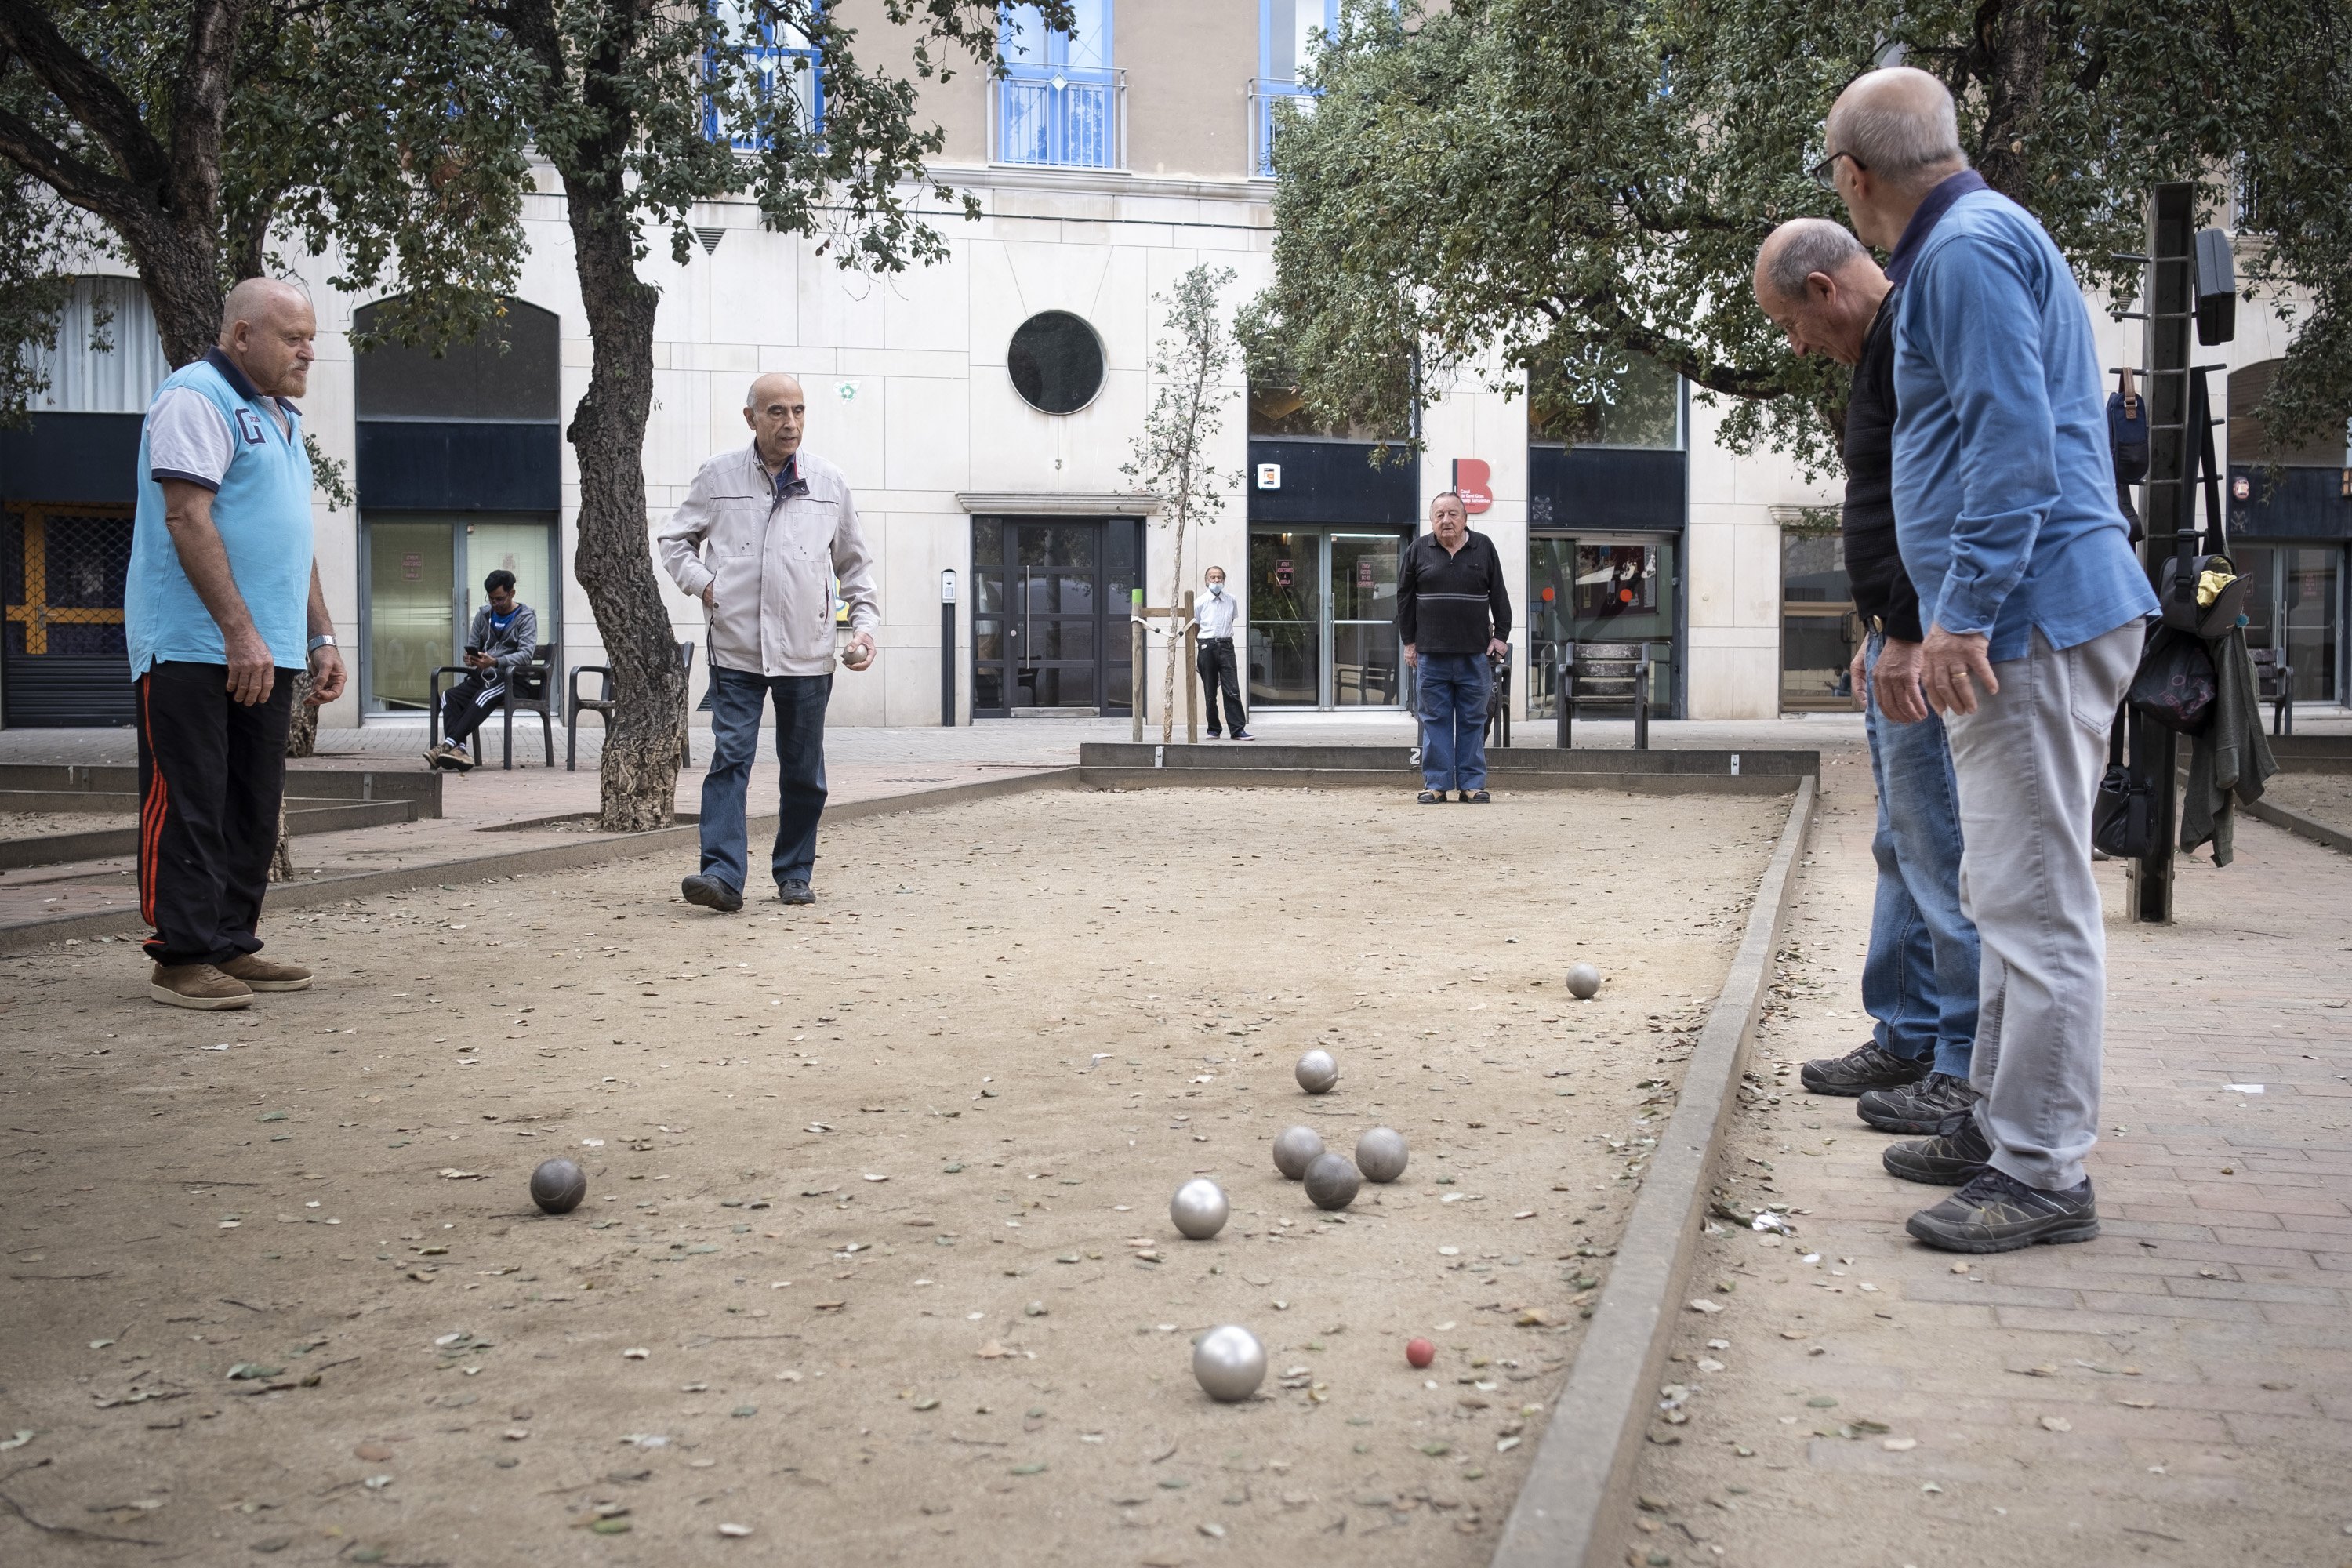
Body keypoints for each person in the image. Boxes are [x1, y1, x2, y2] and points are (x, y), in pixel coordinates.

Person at [1825, 67, 2157, 1252]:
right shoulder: (1981, 236)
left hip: (2031, 621)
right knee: (2002, 890)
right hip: (2036, 613)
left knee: (2033, 903)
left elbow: (2010, 444)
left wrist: (1958, 617)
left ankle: (2043, 1172)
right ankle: (1999, 1124)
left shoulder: (1959, 253)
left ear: (1856, 177)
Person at [1753, 219, 1980, 1138]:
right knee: (1901, 841)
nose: (1796, 345)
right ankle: (1908, 1028)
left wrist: (1916, 630)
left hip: (1926, 641)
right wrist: (1881, 625)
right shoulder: (1882, 351)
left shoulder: (1914, 334)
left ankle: (1958, 1059)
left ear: (1822, 291)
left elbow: (1950, 496)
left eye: (1791, 324)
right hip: (1901, 630)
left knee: (1937, 849)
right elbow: (1892, 502)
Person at [129, 277, 347, 1010]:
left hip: (270, 647)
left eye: (312, 338)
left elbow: (293, 537)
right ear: (243, 335)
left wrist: (319, 633)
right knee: (190, 798)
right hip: (193, 645)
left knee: (252, 803)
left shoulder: (281, 418)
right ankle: (181, 956)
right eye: (294, 338)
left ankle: (228, 943)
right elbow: (188, 518)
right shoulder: (196, 397)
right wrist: (239, 631)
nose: (308, 352)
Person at [657, 372, 877, 911]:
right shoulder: (718, 476)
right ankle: (723, 878)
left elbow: (854, 565)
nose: (790, 423)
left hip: (807, 652)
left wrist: (865, 628)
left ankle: (794, 873)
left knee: (803, 770)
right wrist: (706, 585)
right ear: (751, 417)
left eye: (799, 411)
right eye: (777, 411)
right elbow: (674, 541)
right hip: (736, 649)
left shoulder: (829, 482)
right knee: (730, 759)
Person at [1397, 491, 1511, 804]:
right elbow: (1404, 599)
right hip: (1431, 656)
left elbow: (1499, 592)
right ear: (1431, 521)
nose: (1446, 520)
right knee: (1434, 721)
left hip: (1474, 655)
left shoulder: (1483, 547)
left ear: (1465, 518)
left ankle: (1472, 785)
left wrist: (1501, 634)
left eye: (1452, 514)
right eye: (1439, 515)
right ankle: (1436, 784)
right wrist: (1409, 643)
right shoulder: (1418, 550)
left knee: (1474, 720)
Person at [426, 571, 539, 771]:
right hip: (483, 677)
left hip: (513, 681)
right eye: (491, 599)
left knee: (484, 696)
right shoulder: (483, 615)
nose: (495, 604)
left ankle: (446, 746)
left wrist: (495, 662)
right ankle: (459, 750)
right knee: (449, 696)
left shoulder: (526, 617)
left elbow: (526, 655)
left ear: (512, 593)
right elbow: (472, 645)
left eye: (500, 599)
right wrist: (470, 659)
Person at [1195, 565, 1252, 740]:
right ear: (1206, 581)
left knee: (1232, 689)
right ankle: (1213, 729)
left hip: (1226, 646)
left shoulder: (1231, 600)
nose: (1216, 580)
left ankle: (1237, 729)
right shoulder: (1199, 602)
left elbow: (1231, 621)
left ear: (1224, 580)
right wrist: (1203, 646)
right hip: (1206, 646)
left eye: (1219, 577)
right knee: (1210, 692)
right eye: (1212, 577)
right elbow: (1196, 626)